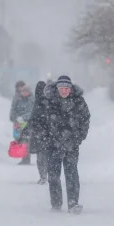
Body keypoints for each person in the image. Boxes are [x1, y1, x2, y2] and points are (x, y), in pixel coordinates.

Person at [44, 75, 90, 214]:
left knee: (72, 174)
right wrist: (47, 138)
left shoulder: (78, 101)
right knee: (53, 175)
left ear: (70, 89)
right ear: (57, 89)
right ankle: (56, 203)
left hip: (72, 144)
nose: (64, 91)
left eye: (66, 88)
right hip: (53, 145)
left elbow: (85, 119)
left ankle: (73, 203)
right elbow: (41, 121)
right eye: (61, 88)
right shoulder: (48, 101)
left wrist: (79, 137)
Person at [18, 81, 51, 184]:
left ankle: (43, 176)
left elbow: (32, 120)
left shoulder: (37, 103)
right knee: (45, 157)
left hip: (38, 135)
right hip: (48, 135)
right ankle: (46, 176)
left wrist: (24, 133)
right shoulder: (49, 102)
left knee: (40, 158)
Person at [10, 85, 35, 165]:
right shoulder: (17, 99)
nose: (24, 93)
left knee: (25, 141)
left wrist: (23, 118)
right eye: (23, 91)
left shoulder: (32, 100)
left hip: (27, 123)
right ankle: (23, 156)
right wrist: (15, 118)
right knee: (18, 139)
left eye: (26, 91)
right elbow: (13, 110)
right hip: (18, 123)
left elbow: (32, 111)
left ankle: (26, 158)